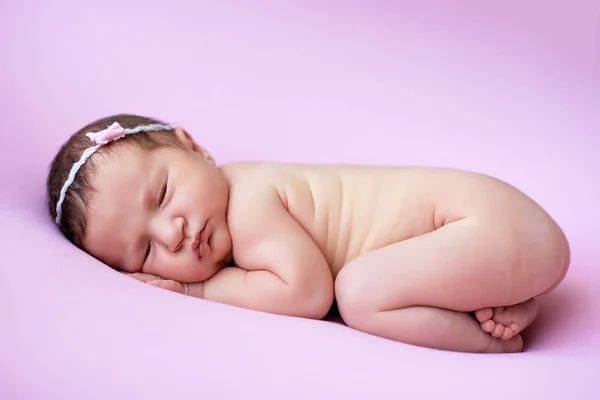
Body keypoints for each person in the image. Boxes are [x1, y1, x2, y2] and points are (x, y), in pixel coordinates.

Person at [46, 114, 570, 353]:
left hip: (481, 224)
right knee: (380, 279)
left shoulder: (248, 196)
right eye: (146, 249)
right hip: (500, 230)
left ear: (194, 147)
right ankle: (509, 293)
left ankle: (494, 343)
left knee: (359, 295)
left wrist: (195, 288)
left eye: (162, 195)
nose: (173, 232)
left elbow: (306, 293)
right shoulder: (233, 206)